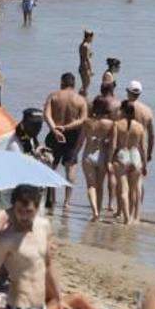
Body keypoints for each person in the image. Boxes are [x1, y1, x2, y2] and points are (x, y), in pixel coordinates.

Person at [43, 72, 88, 210]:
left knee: (51, 167)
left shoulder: (53, 96)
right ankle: (67, 202)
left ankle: (52, 199)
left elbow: (46, 115)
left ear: (62, 82)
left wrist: (55, 129)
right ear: (74, 84)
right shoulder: (80, 100)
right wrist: (66, 127)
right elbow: (82, 120)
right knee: (71, 167)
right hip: (72, 135)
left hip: (54, 134)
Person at [74, 97, 114, 222]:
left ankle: (95, 212)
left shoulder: (87, 122)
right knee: (100, 185)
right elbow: (112, 144)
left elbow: (80, 141)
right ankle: (99, 212)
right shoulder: (111, 124)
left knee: (91, 186)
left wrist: (74, 154)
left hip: (88, 155)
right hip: (102, 155)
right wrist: (110, 160)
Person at [111, 100, 148, 224]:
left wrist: (110, 160)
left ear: (123, 111)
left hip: (123, 154)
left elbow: (114, 145)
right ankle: (132, 217)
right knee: (133, 190)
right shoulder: (140, 127)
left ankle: (126, 218)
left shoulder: (117, 125)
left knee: (123, 190)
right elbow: (143, 148)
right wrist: (145, 164)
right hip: (135, 155)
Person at [126, 80, 155, 169]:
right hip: (140, 150)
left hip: (124, 149)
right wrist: (149, 153)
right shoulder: (148, 111)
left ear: (127, 91)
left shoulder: (122, 108)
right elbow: (152, 136)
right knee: (138, 181)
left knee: (122, 181)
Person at [78, 30, 94, 96]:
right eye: (92, 37)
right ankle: (81, 98)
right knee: (86, 85)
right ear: (89, 37)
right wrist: (91, 69)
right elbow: (87, 59)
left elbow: (84, 56)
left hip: (82, 66)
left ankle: (81, 97)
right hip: (85, 67)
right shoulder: (86, 46)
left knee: (85, 85)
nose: (92, 39)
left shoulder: (82, 44)